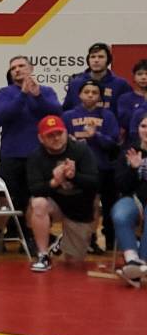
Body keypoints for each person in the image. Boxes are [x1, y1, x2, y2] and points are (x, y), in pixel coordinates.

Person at [0, 56, 62, 255]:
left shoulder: (46, 91)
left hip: (39, 155)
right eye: (13, 68)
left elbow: (56, 114)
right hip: (11, 154)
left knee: (34, 197)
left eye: (21, 66)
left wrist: (37, 96)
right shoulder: (5, 93)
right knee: (4, 196)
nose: (17, 70)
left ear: (31, 68)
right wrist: (22, 95)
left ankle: (30, 238)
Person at [26, 115, 98, 272]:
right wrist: (55, 182)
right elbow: (34, 189)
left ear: (66, 133)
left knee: (73, 263)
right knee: (38, 203)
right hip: (55, 204)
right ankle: (43, 255)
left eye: (59, 133)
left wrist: (74, 176)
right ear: (41, 138)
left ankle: (63, 241)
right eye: (50, 135)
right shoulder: (36, 157)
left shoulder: (81, 150)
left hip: (79, 209)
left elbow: (94, 182)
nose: (56, 138)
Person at [61, 80, 119, 252]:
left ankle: (91, 239)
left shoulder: (108, 116)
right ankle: (73, 239)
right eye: (87, 92)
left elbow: (113, 143)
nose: (90, 95)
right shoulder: (68, 115)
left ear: (100, 97)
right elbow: (59, 141)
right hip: (76, 167)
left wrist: (96, 135)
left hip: (100, 167)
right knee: (75, 204)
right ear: (79, 94)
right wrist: (69, 142)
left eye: (94, 92)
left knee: (96, 204)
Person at [112, 114, 147, 288]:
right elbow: (122, 185)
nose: (146, 130)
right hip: (134, 199)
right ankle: (133, 260)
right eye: (143, 126)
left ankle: (141, 265)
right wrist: (133, 169)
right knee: (120, 213)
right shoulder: (129, 150)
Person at [62, 43, 130, 118]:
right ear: (88, 60)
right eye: (93, 57)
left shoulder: (120, 84)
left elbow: (126, 114)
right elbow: (66, 110)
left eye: (101, 57)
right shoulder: (75, 83)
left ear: (108, 60)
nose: (96, 60)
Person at [115, 59, 147, 136]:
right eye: (139, 74)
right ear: (133, 77)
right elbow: (125, 122)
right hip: (132, 138)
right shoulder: (125, 99)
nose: (144, 77)